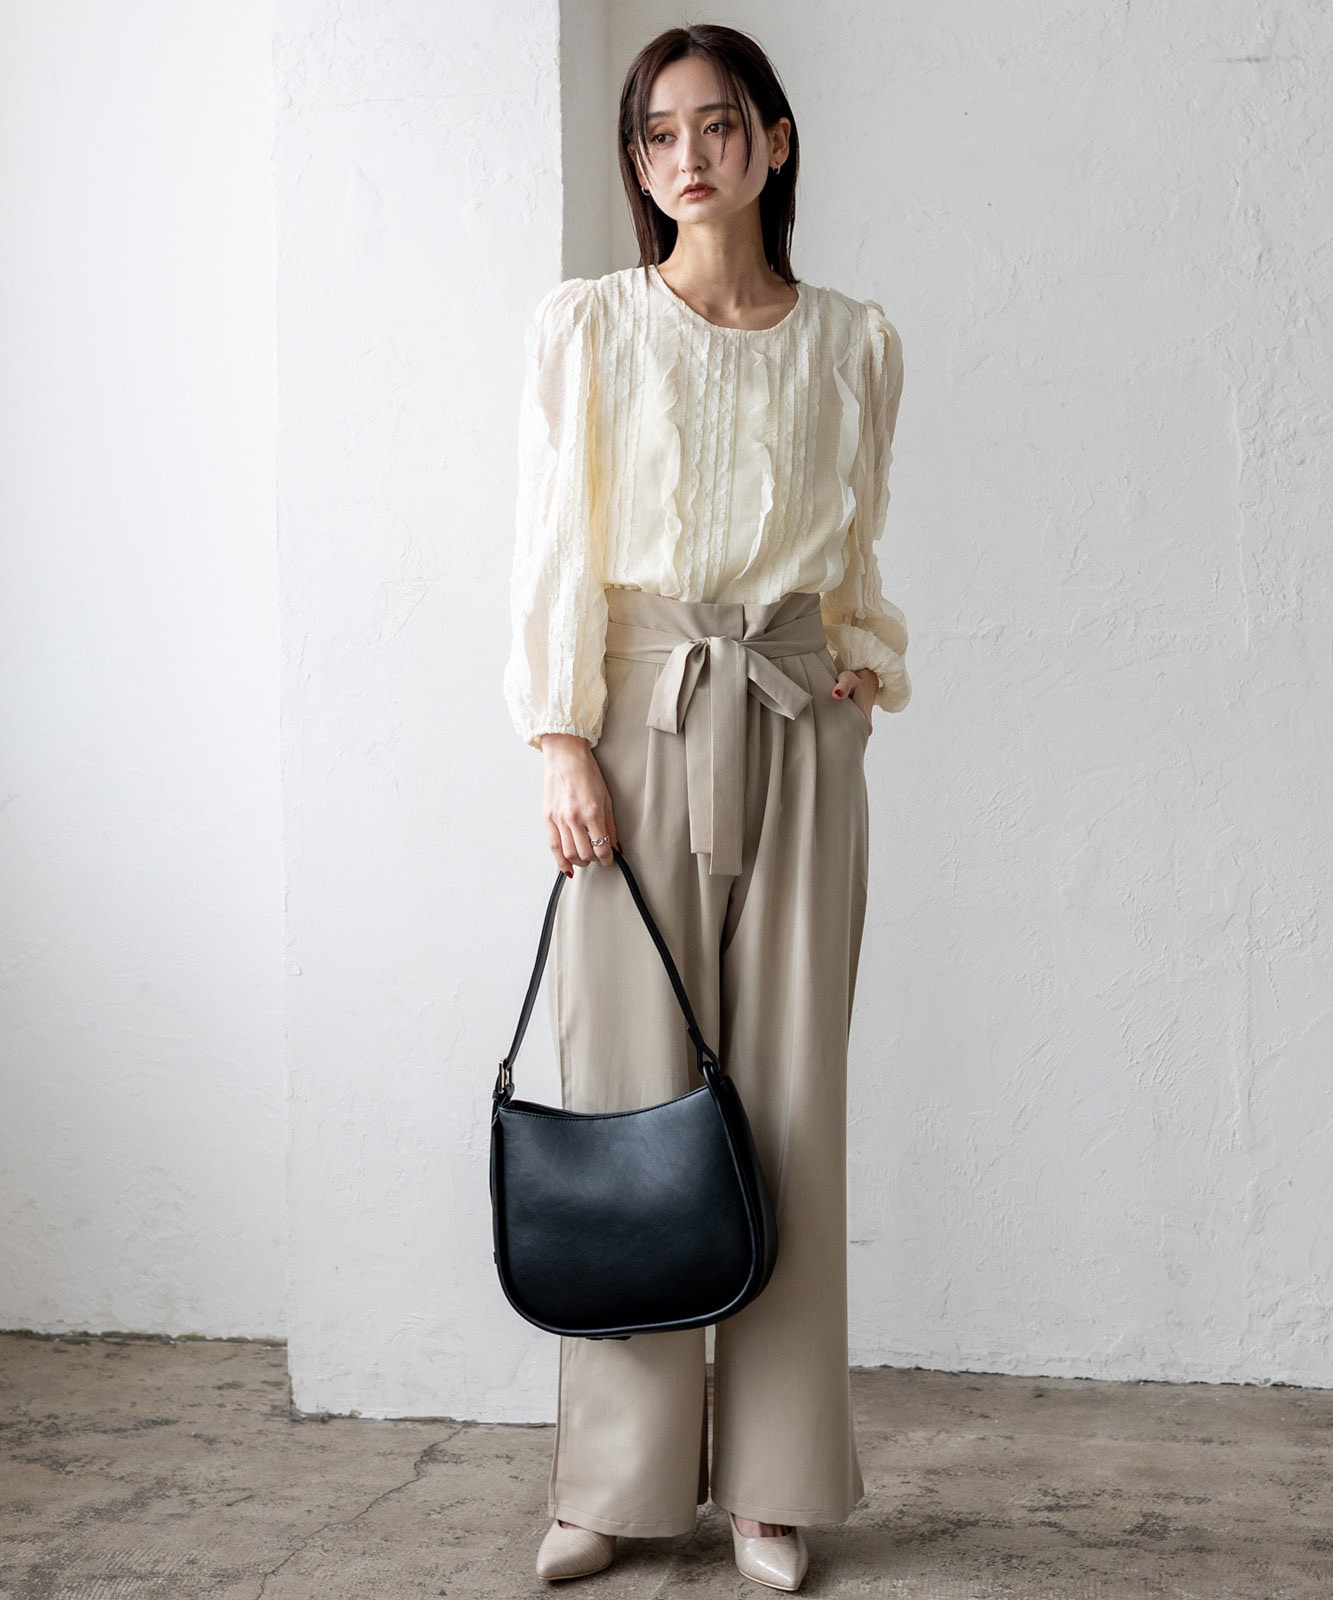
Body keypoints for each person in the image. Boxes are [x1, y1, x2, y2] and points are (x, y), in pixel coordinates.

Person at [502, 22, 911, 1593]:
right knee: (629, 1094)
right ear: (638, 160)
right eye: (658, 134)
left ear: (773, 142)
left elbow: (857, 536)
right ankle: (616, 1486)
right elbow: (552, 538)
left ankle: (772, 1484)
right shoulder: (590, 327)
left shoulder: (854, 341)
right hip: (639, 718)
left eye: (717, 125)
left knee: (790, 1105)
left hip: (797, 722)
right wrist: (559, 738)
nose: (688, 156)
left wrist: (859, 666)